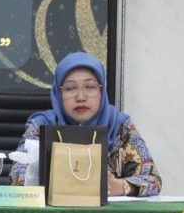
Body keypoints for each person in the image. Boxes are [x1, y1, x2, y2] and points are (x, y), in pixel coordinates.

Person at [9, 51, 161, 196]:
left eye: (90, 87)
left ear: (102, 91)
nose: (81, 97)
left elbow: (152, 180)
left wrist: (120, 186)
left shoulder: (119, 125)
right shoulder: (41, 125)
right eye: (70, 88)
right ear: (58, 93)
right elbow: (17, 178)